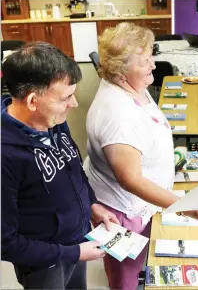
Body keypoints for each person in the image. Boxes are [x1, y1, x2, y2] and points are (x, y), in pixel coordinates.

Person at [83, 22, 198, 289]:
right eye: (145, 61)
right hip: (124, 211)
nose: (154, 65)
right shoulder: (116, 115)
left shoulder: (130, 84)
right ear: (122, 70)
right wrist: (187, 207)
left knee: (140, 266)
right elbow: (131, 179)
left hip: (142, 205)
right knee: (127, 279)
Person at [1, 42, 119, 289]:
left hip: (77, 241)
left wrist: (92, 205)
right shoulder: (6, 156)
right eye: (65, 97)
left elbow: (74, 169)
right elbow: (6, 242)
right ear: (33, 101)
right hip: (45, 262)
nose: (74, 104)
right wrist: (73, 253)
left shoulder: (52, 119)